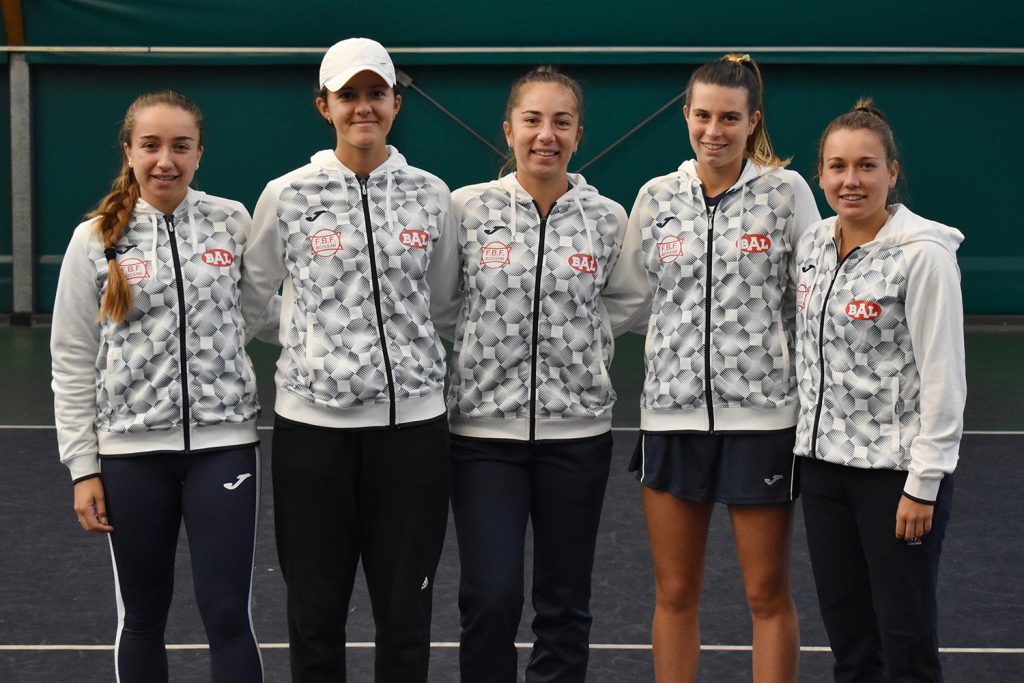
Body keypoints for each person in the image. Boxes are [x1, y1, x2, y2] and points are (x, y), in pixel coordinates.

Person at [239, 37, 456, 683]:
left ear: (395, 101)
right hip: (313, 437)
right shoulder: (287, 194)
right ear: (324, 106)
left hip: (413, 435)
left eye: (376, 93)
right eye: (349, 95)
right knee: (314, 613)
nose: (364, 106)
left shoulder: (431, 194)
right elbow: (252, 299)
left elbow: (441, 300)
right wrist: (310, 338)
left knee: (406, 615)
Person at [613, 54, 821, 682]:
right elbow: (633, 299)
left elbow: (810, 299)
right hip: (670, 420)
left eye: (730, 117)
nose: (714, 130)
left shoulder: (788, 194)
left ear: (753, 121)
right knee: (675, 593)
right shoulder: (655, 198)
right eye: (702, 115)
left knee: (766, 594)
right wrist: (682, 351)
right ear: (686, 116)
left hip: (763, 423)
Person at [431, 66, 638, 683]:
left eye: (561, 122)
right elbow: (444, 301)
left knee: (564, 603)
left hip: (577, 439)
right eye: (532, 120)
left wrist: (580, 344)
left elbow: (627, 300)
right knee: (490, 598)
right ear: (508, 129)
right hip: (481, 440)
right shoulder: (466, 209)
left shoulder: (607, 218)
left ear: (578, 134)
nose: (546, 135)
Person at [50, 90, 263, 682]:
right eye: (151, 145)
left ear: (199, 154)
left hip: (223, 448)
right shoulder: (93, 239)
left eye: (180, 146)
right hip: (129, 458)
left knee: (228, 615)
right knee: (142, 617)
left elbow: (260, 314)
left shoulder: (232, 220)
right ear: (129, 151)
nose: (164, 159)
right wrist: (84, 467)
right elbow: (71, 357)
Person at [795, 99, 965, 683]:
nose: (851, 180)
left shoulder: (924, 257)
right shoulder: (814, 244)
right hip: (822, 473)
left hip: (897, 480)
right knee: (850, 640)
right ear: (820, 174)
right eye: (837, 166)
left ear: (892, 173)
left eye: (866, 166)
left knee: (905, 638)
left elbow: (945, 379)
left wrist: (924, 484)